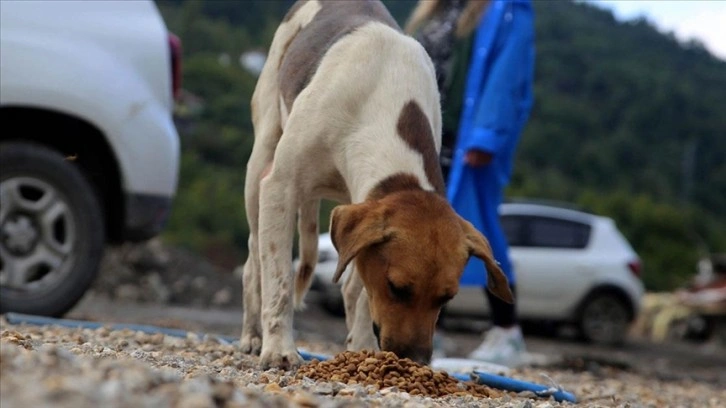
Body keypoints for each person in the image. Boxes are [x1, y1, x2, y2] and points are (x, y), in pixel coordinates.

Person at [406, 0, 535, 367]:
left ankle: (508, 331)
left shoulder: (506, 9)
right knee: (430, 231)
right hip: (425, 136)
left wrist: (487, 136)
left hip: (464, 143)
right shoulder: (435, 10)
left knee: (478, 228)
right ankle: (433, 330)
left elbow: (509, 74)